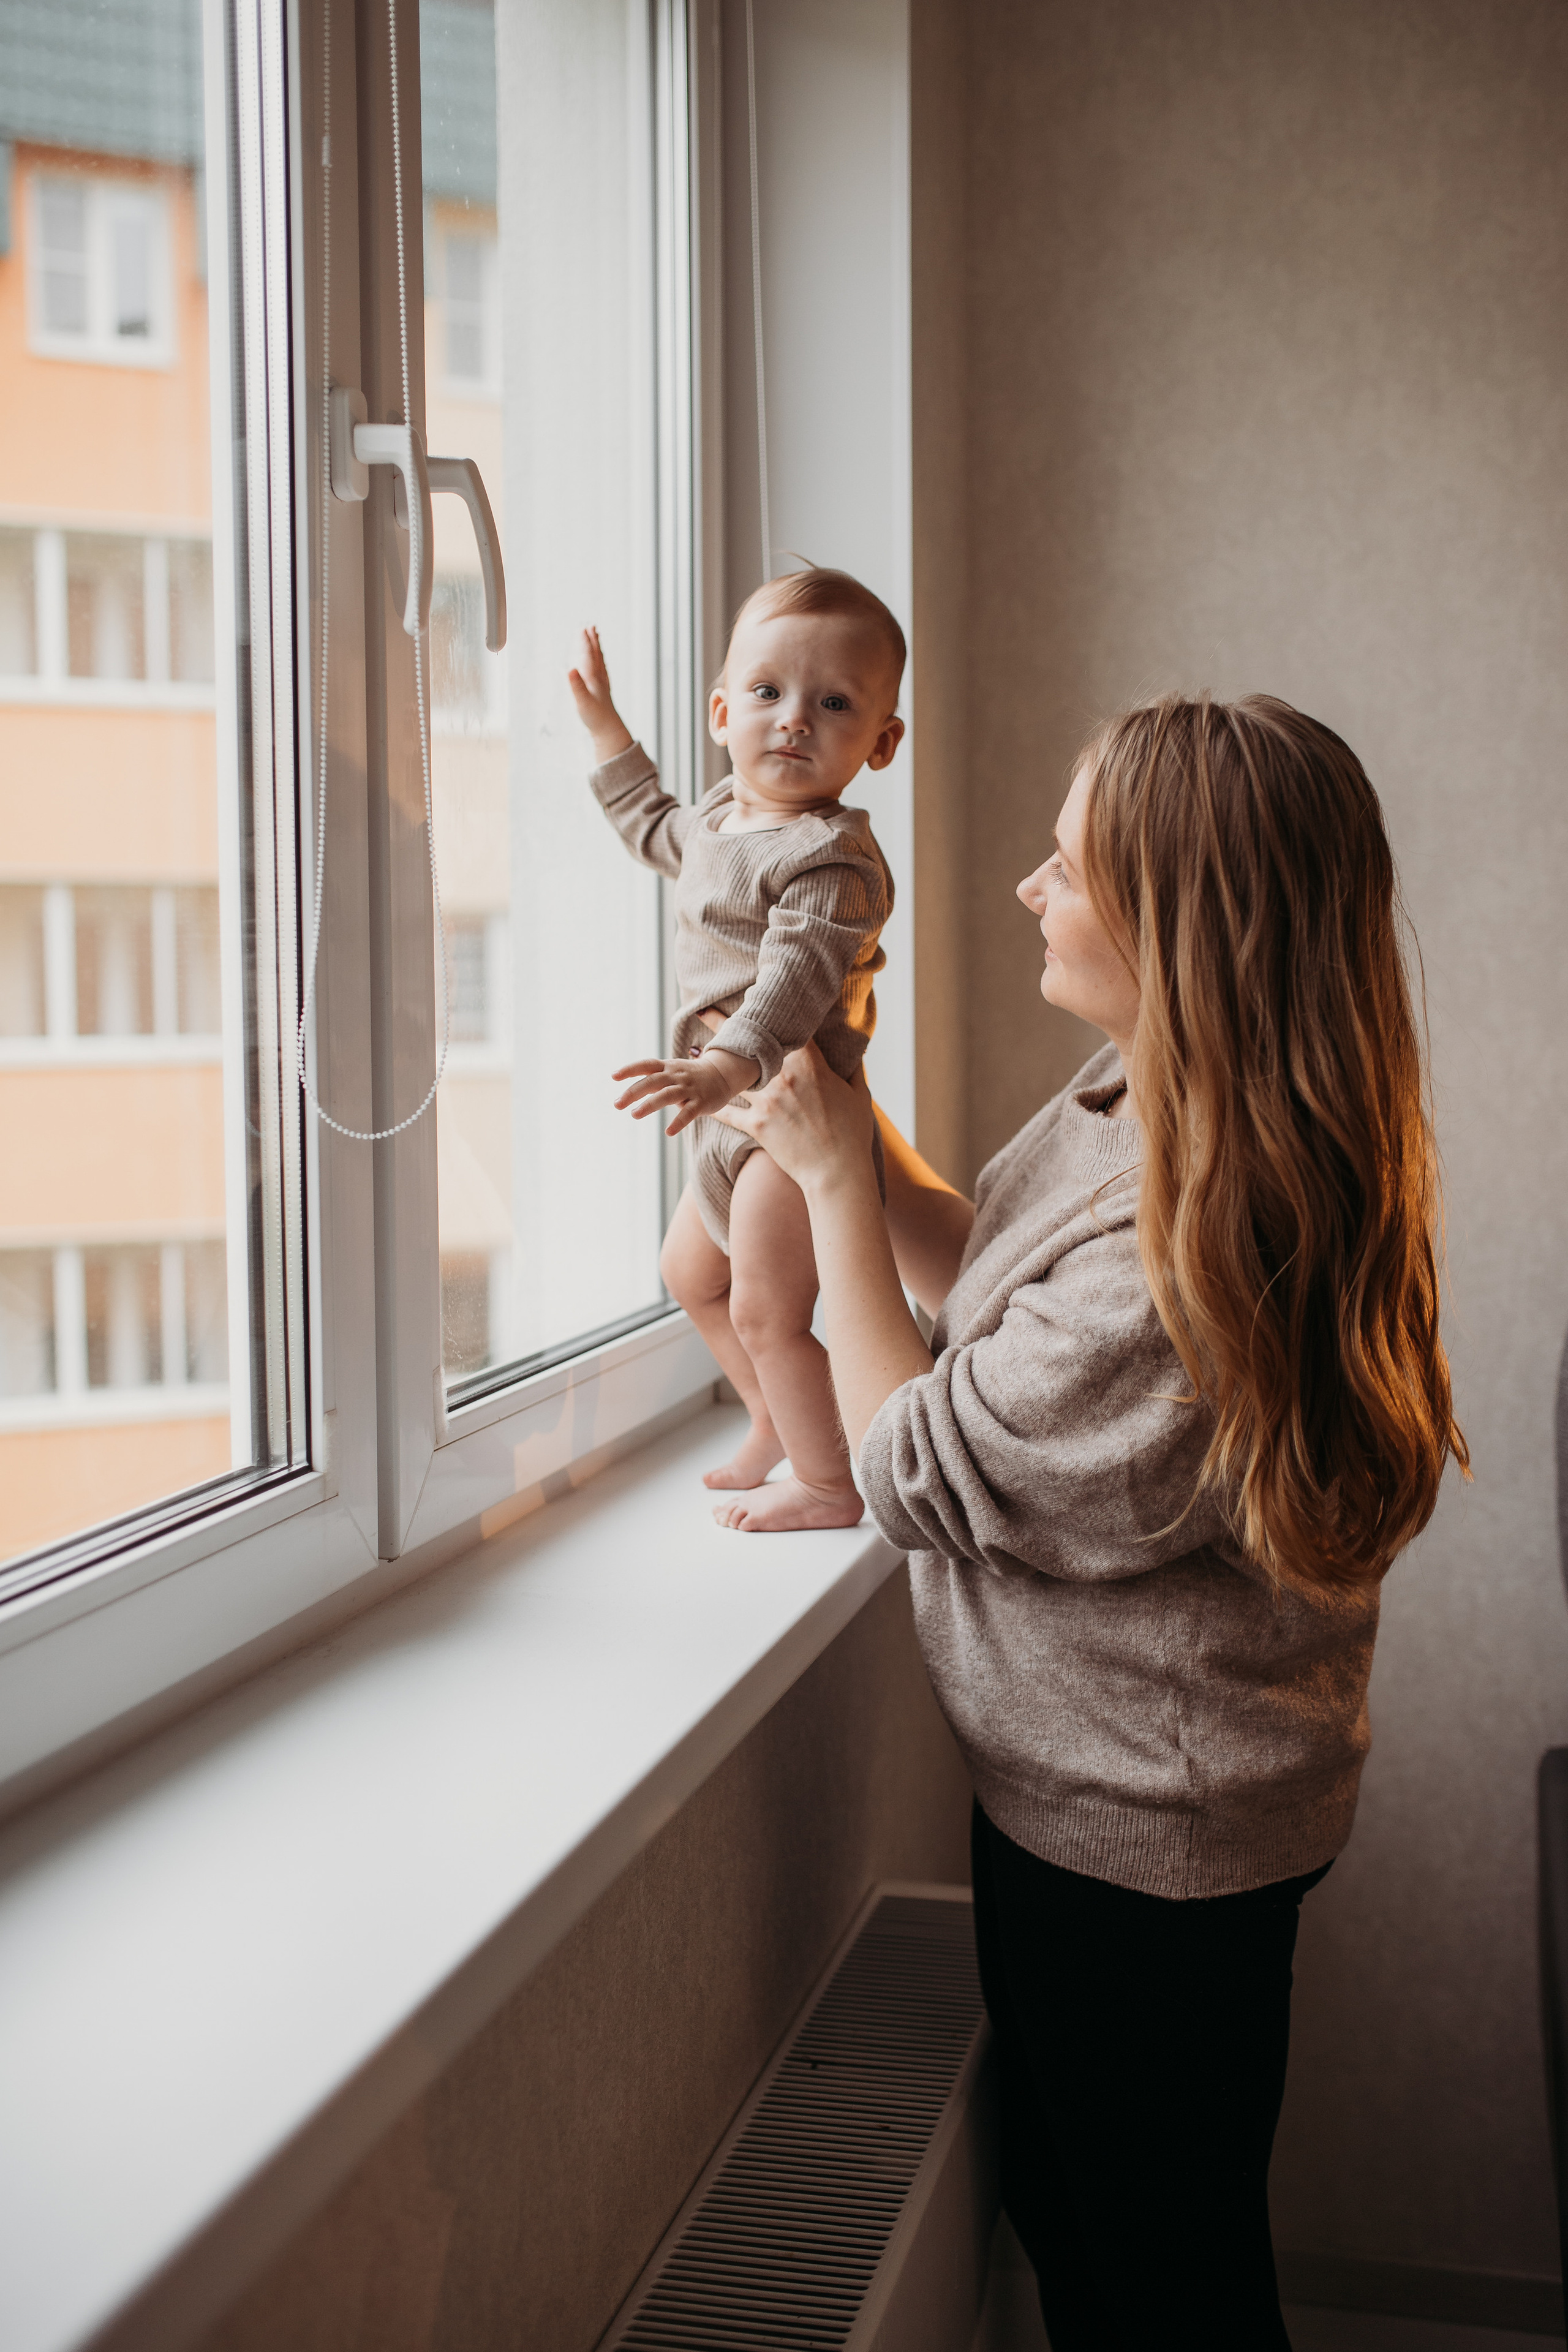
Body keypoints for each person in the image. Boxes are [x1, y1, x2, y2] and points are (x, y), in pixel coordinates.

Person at [714, 694, 1468, 2349]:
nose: (1026, 888)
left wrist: (829, 1190)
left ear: (1181, 927)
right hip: (1100, 1795)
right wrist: (857, 1129)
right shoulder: (1141, 1094)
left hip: (1153, 1844)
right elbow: (991, 1268)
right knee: (1079, 2212)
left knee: (1159, 2282)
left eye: (1067, 867)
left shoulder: (1199, 1245)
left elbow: (915, 1467)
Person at [568, 566, 902, 1532]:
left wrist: (720, 1068)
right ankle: (770, 1417)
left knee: (768, 1310)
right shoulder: (720, 820)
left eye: (833, 704)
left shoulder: (833, 861)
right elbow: (652, 825)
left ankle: (831, 1481)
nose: (793, 719)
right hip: (728, 1109)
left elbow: (792, 985)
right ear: (722, 714)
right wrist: (606, 731)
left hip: (788, 1128)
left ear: (881, 743)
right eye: (767, 692)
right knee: (690, 1277)